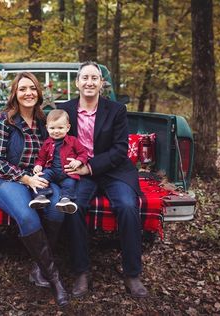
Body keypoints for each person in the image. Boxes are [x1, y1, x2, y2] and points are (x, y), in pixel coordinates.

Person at [0, 72, 68, 306]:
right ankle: (55, 279)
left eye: (33, 88)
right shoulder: (3, 120)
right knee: (27, 216)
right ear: (15, 94)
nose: (28, 93)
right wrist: (25, 179)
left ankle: (39, 268)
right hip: (4, 177)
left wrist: (50, 171)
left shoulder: (43, 121)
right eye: (23, 89)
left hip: (36, 176)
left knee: (57, 208)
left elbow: (51, 151)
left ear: (39, 93)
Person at [58, 61, 148, 299]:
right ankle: (81, 272)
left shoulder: (116, 110)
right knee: (73, 207)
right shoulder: (65, 109)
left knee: (128, 206)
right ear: (77, 83)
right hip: (80, 170)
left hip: (114, 170)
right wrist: (77, 165)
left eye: (94, 78)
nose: (89, 82)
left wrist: (90, 167)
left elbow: (120, 149)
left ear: (101, 83)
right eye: (85, 78)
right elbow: (58, 142)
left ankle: (132, 274)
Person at [29, 109, 89, 214]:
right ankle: (41, 197)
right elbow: (41, 158)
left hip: (67, 173)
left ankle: (65, 200)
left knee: (70, 183)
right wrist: (38, 165)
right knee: (42, 177)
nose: (56, 131)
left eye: (60, 128)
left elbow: (83, 153)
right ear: (47, 128)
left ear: (68, 128)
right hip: (51, 171)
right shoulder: (47, 143)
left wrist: (78, 161)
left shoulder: (73, 141)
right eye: (52, 128)